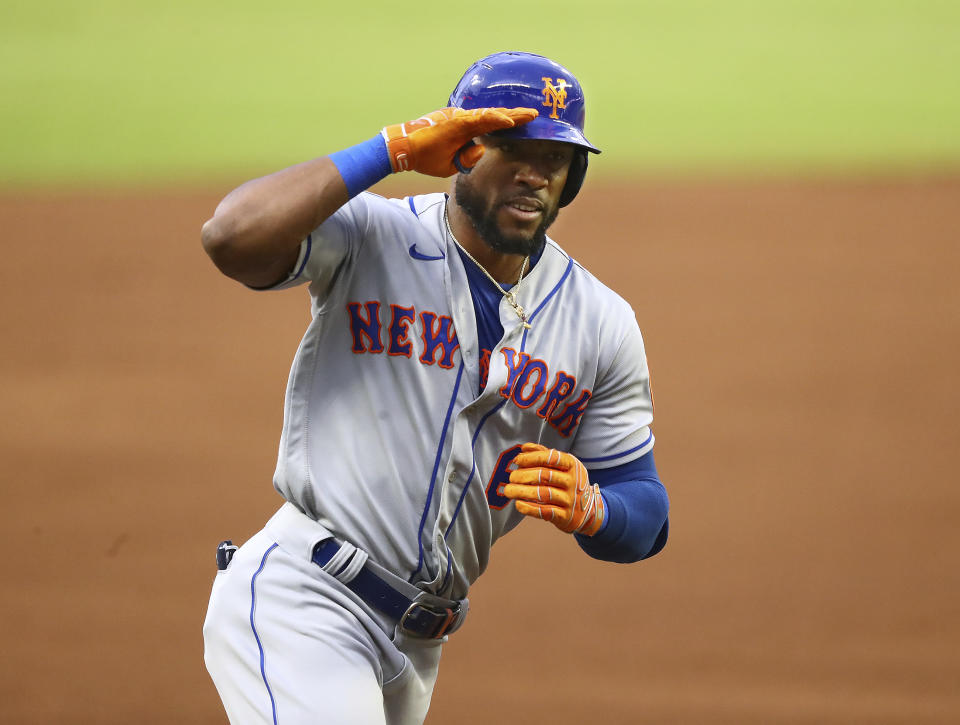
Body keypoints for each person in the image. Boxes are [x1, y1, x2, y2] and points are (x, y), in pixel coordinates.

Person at [200, 51, 669, 725]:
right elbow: (230, 237)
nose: (535, 174)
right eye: (513, 148)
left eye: (557, 159)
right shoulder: (372, 234)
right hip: (305, 601)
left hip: (418, 649)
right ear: (462, 150)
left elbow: (646, 511)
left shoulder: (601, 323)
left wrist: (596, 509)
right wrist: (390, 149)